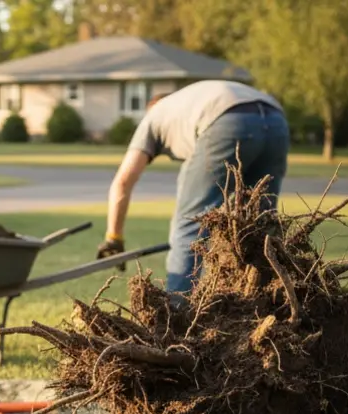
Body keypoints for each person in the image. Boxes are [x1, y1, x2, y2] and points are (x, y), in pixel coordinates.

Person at [97, 80, 290, 293]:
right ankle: (268, 302)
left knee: (190, 224)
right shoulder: (187, 104)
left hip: (226, 119)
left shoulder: (153, 117)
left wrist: (114, 237)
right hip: (276, 120)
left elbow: (123, 181)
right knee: (260, 226)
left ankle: (177, 314)